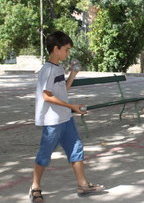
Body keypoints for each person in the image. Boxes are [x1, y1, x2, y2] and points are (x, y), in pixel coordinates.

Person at [29, 31, 104, 203]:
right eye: (67, 50)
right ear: (56, 49)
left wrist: (72, 74)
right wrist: (72, 107)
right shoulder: (47, 70)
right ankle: (35, 188)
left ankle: (83, 184)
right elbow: (47, 96)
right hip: (52, 121)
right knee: (44, 154)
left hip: (65, 118)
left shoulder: (57, 68)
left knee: (76, 149)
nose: (68, 53)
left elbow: (62, 91)